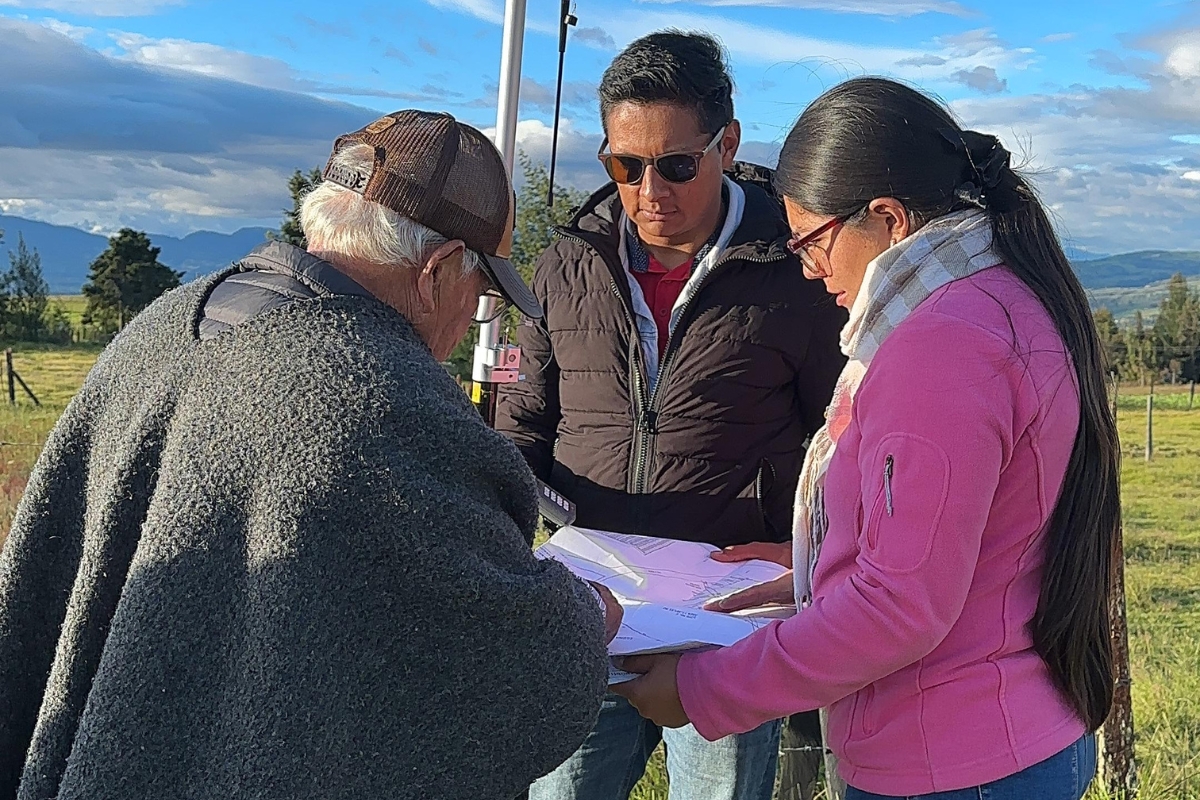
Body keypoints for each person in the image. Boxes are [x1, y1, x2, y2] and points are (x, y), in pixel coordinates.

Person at [0, 110, 620, 800]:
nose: (475, 311)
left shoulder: (168, 320)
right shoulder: (386, 399)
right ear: (438, 270)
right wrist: (586, 618)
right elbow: (496, 658)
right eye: (481, 289)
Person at [613, 77, 1120, 800]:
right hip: (1006, 732)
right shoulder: (1004, 301)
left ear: (887, 219)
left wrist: (703, 688)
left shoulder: (940, 344)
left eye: (811, 242)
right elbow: (975, 539)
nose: (809, 269)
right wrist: (819, 567)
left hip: (948, 756)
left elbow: (898, 607)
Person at [496, 31, 845, 800]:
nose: (650, 190)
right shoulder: (567, 264)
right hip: (590, 607)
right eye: (625, 166)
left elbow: (843, 436)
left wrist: (808, 553)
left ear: (728, 144)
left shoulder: (797, 272)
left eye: (677, 165)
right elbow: (523, 422)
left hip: (726, 621)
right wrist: (502, 551)